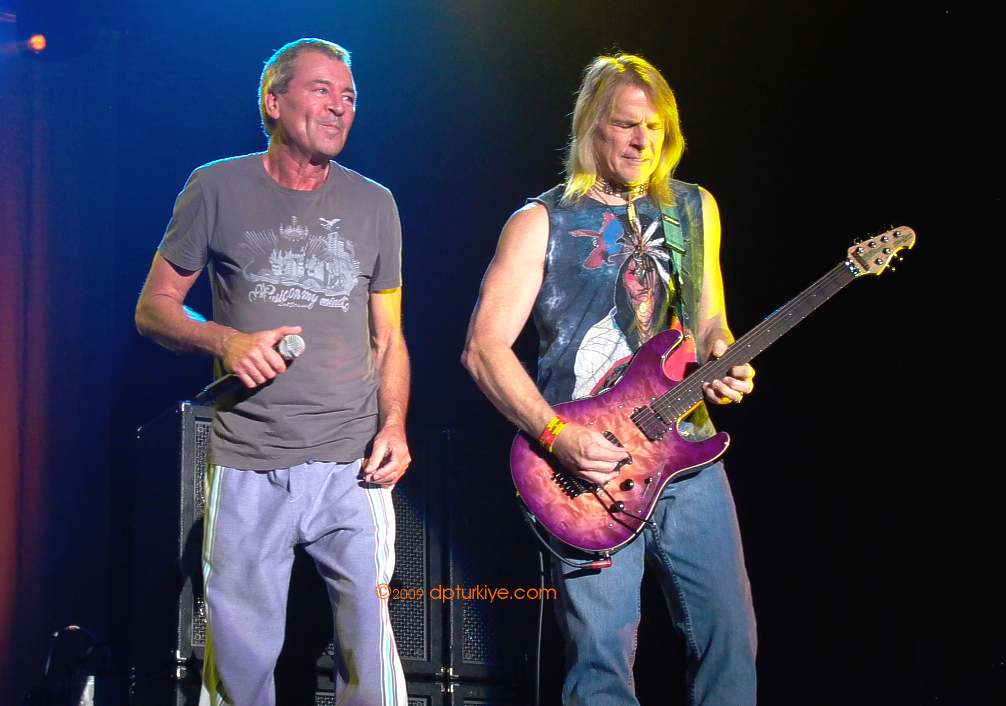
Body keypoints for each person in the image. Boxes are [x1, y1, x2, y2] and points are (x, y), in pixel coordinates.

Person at [461, 54, 758, 705]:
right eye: (626, 124)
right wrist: (556, 434)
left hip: (688, 451)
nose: (642, 142)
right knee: (601, 659)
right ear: (591, 126)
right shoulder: (539, 221)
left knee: (729, 640)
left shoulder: (693, 208)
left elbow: (711, 321)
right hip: (588, 469)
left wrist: (724, 358)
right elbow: (483, 349)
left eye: (654, 128)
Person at [135, 38, 410, 706]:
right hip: (249, 457)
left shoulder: (376, 204)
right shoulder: (216, 187)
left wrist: (395, 425)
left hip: (352, 464)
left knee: (370, 655)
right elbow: (154, 308)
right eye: (322, 89)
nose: (340, 106)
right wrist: (224, 340)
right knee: (240, 664)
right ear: (273, 100)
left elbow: (389, 337)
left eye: (350, 96)